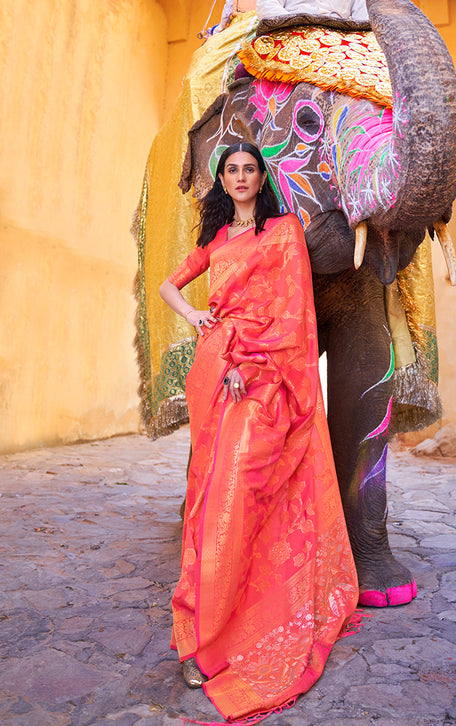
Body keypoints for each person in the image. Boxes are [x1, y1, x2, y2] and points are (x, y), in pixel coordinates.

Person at [159, 142, 360, 723]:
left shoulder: (283, 232)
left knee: (239, 492)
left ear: (259, 177)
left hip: (265, 378)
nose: (241, 177)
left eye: (249, 170)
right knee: (210, 497)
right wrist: (198, 319)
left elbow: (295, 312)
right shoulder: (216, 242)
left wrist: (253, 362)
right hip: (218, 374)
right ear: (221, 181)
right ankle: (205, 629)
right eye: (232, 171)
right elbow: (173, 286)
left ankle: (240, 614)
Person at [257, 0, 369, 22]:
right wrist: (297, 21)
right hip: (292, 31)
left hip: (337, 39)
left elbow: (365, 20)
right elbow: (266, 6)